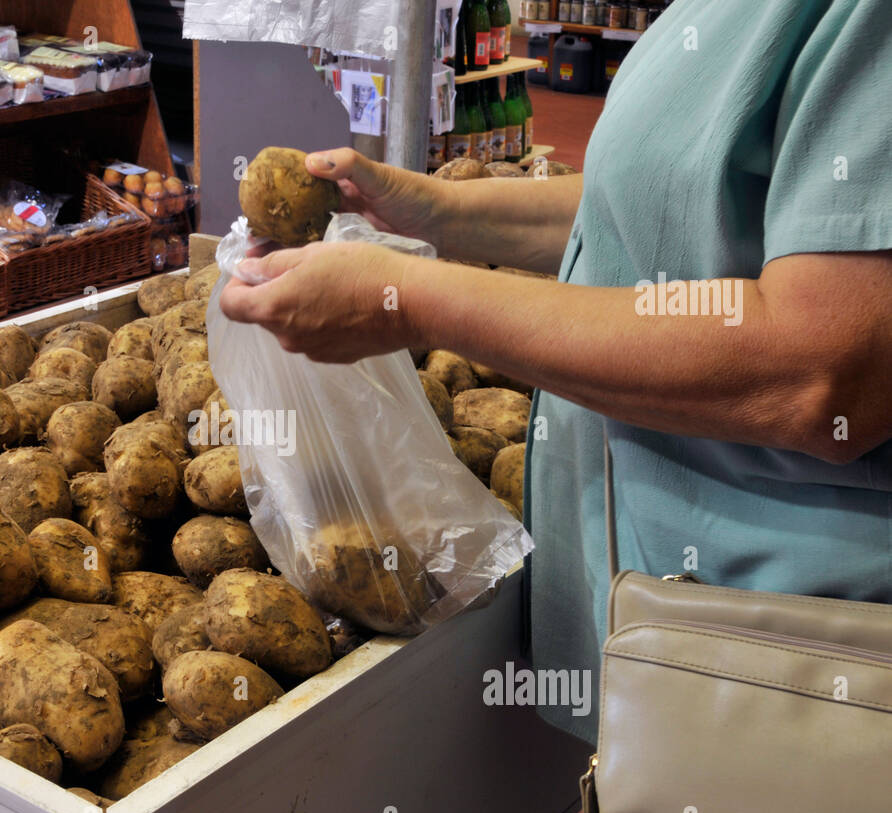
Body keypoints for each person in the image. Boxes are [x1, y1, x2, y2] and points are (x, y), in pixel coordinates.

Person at [218, 0, 892, 743]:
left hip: (798, 657)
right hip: (676, 625)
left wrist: (413, 301)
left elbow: (825, 371)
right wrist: (437, 211)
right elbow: (647, 206)